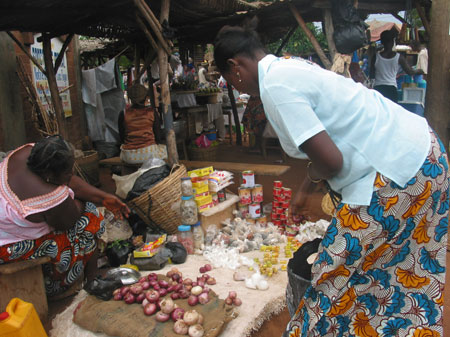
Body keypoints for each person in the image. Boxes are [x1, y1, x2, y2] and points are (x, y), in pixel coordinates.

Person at [214, 21, 448, 337]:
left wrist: (309, 180)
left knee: (330, 284)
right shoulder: (291, 68)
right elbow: (326, 145)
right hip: (425, 155)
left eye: (230, 80)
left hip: (389, 177)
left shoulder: (275, 86)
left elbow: (330, 161)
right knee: (400, 271)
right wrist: (304, 189)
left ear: (235, 66)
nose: (235, 87)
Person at [0, 135, 130, 297]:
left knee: (88, 205)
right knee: (90, 217)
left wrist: (103, 197)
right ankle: (87, 281)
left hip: (5, 225)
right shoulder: (47, 196)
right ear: (50, 176)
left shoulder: (26, 153)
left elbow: (70, 181)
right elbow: (69, 220)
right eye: (68, 172)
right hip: (6, 247)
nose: (73, 172)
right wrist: (88, 200)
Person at [370, 29, 423, 103]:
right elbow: (410, 72)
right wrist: (420, 71)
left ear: (382, 42)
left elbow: (371, 75)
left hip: (378, 89)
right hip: (391, 89)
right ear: (392, 42)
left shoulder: (375, 57)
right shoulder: (399, 57)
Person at [119, 84, 166, 164]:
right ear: (146, 97)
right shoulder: (152, 112)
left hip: (129, 156)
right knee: (165, 149)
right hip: (149, 154)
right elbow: (158, 137)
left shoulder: (123, 114)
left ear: (130, 98)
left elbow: (122, 137)